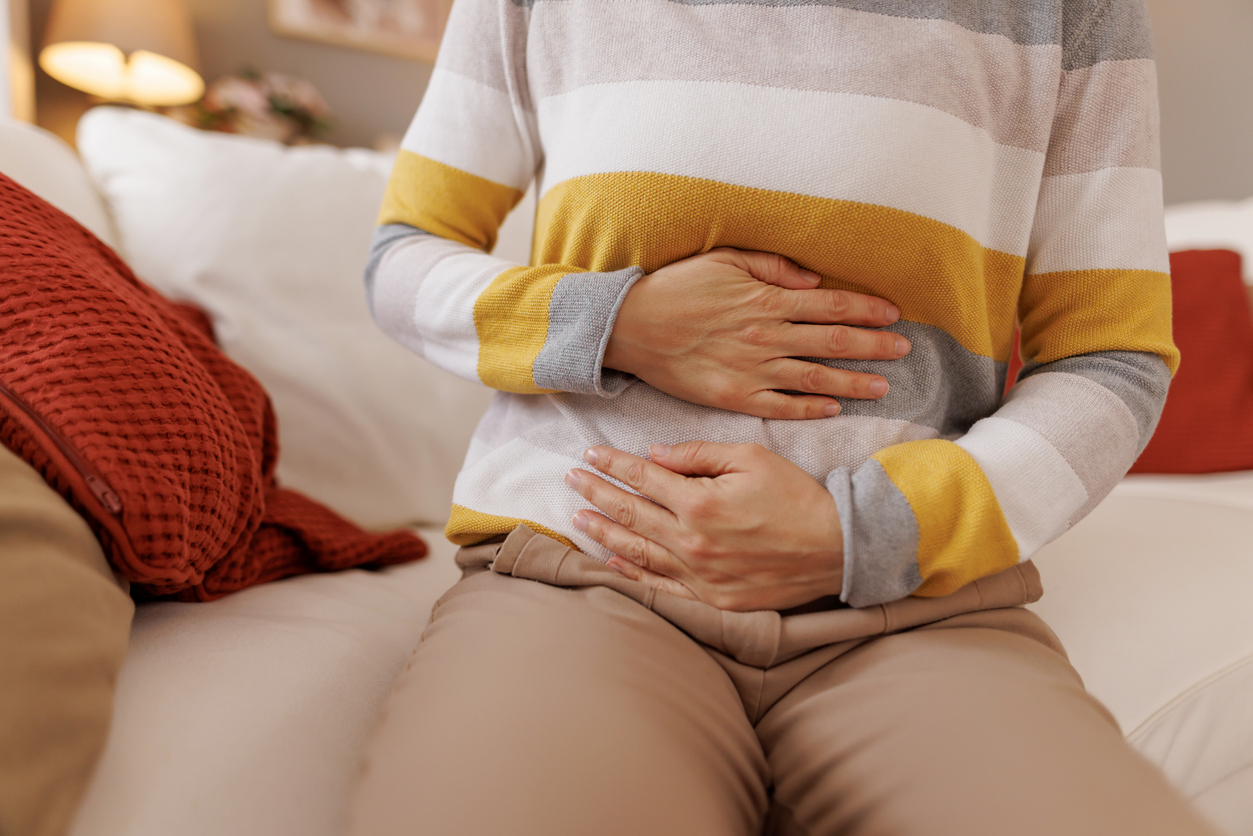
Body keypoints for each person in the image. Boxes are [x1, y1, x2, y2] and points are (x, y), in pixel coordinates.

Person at [349, 1, 1220, 833]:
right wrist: (621, 322)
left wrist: (856, 531)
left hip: (910, 604)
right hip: (582, 567)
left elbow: (1114, 359)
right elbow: (402, 261)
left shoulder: (1068, 10)